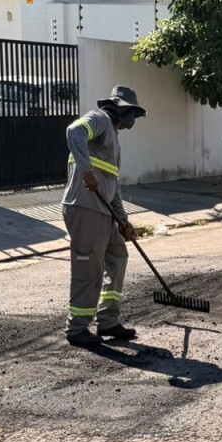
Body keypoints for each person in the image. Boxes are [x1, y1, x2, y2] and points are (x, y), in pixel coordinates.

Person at [62, 85, 146, 347]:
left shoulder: (113, 137)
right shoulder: (99, 119)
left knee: (118, 257)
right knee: (89, 267)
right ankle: (77, 328)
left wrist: (123, 220)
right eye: (130, 112)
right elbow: (74, 131)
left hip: (103, 209)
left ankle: (108, 320)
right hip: (85, 207)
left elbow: (112, 185)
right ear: (120, 109)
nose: (131, 119)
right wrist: (86, 170)